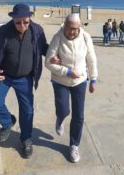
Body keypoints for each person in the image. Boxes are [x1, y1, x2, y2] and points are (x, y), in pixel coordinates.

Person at [0, 3, 48, 158]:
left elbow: (45, 48)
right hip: (4, 75)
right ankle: (7, 123)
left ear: (30, 18)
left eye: (25, 22)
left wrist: (57, 55)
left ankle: (26, 139)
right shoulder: (2, 32)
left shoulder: (37, 31)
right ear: (12, 19)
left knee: (27, 111)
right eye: (18, 22)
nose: (22, 25)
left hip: (25, 78)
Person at [45, 14, 98, 163]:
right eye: (69, 28)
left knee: (79, 115)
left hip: (80, 81)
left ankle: (74, 145)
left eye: (75, 28)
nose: (72, 32)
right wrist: (67, 71)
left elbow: (91, 58)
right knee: (63, 110)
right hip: (60, 81)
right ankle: (60, 119)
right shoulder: (58, 37)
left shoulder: (86, 38)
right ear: (65, 25)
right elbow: (48, 63)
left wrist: (93, 79)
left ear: (79, 26)